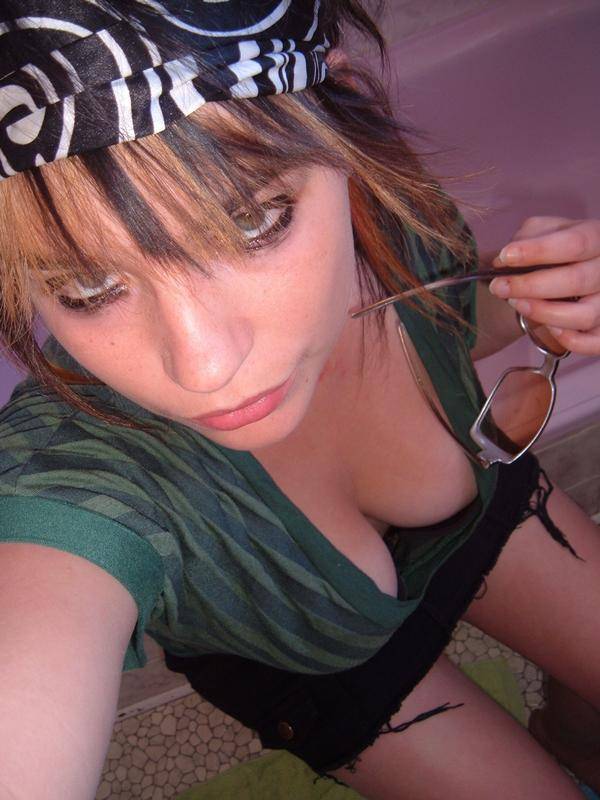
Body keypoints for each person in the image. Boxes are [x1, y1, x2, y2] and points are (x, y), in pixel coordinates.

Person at [0, 2, 599, 798]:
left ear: (340, 129)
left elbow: (447, 320)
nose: (206, 366)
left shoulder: (389, 214)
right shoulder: (77, 476)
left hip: (487, 512)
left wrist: (536, 308)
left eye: (252, 221)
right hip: (322, 675)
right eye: (86, 284)